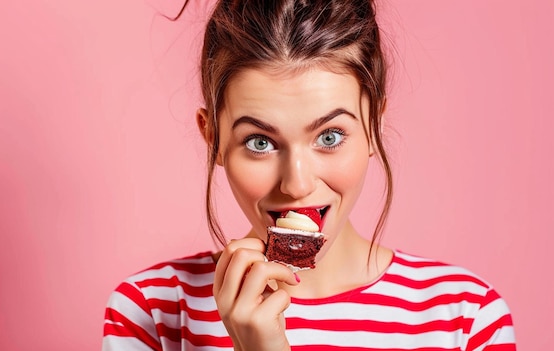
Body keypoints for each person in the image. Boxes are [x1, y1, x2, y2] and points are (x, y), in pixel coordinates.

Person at [102, 0, 516, 350]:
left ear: (375, 125)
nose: (297, 185)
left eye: (330, 136)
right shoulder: (152, 312)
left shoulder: (465, 317)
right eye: (260, 142)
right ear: (213, 139)